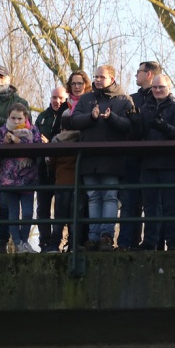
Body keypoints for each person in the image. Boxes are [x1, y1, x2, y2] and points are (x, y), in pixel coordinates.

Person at [62, 64, 136, 251]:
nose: (97, 80)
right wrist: (91, 117)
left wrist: (111, 118)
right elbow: (74, 120)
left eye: (101, 77)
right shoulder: (87, 98)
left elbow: (129, 125)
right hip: (89, 157)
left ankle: (106, 236)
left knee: (110, 196)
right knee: (93, 197)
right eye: (95, 77)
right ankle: (93, 238)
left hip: (112, 157)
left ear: (111, 78)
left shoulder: (123, 99)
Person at [0, 65, 30, 254]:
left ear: (9, 78)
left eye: (2, 77)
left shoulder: (20, 102)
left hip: (11, 165)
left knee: (5, 206)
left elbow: (27, 131)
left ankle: (2, 243)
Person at [136, 75, 175, 251]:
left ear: (168, 88)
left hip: (170, 163)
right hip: (149, 162)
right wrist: (134, 122)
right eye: (155, 87)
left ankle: (172, 242)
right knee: (150, 205)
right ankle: (150, 241)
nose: (157, 90)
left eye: (161, 87)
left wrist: (165, 127)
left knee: (170, 205)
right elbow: (140, 133)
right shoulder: (145, 108)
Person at [118, 60, 161, 251]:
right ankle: (126, 242)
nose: (136, 74)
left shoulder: (161, 100)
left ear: (149, 74)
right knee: (129, 202)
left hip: (152, 158)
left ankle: (152, 242)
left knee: (153, 203)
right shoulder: (131, 99)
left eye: (139, 71)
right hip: (131, 158)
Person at [0, 103, 43, 253]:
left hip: (28, 178)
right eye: (13, 118)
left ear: (25, 117)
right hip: (9, 179)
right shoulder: (3, 130)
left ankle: (25, 241)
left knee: (27, 213)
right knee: (13, 214)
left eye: (19, 118)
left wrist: (18, 141)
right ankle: (18, 242)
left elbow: (38, 147)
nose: (16, 121)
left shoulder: (33, 130)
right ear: (8, 117)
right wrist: (4, 142)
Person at [53, 70, 91, 250]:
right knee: (62, 210)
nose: (77, 87)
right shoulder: (64, 107)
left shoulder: (91, 103)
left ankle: (79, 243)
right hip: (65, 163)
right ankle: (57, 244)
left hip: (85, 162)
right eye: (74, 83)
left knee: (81, 209)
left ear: (86, 85)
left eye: (80, 83)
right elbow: (56, 131)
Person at [34, 86, 69, 252]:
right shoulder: (42, 117)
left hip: (61, 169)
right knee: (43, 208)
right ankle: (44, 242)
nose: (57, 101)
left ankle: (58, 242)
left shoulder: (70, 115)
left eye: (61, 98)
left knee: (62, 209)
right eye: (54, 97)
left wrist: (51, 144)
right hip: (43, 169)